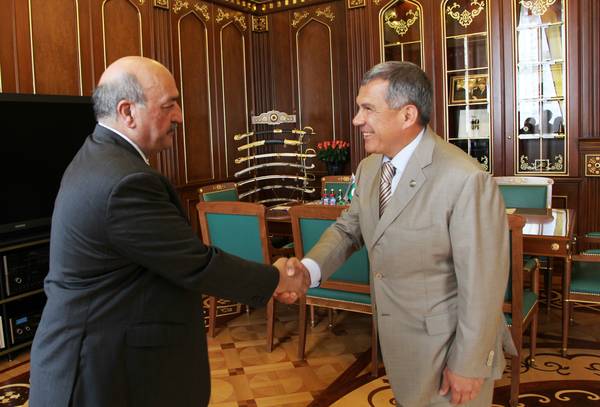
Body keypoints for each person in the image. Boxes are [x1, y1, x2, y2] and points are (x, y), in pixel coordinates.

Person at [29, 56, 308, 407]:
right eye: (168, 105)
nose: (179, 116)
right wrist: (276, 278)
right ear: (128, 112)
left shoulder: (101, 157)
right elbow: (196, 264)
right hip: (99, 373)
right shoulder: (125, 182)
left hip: (102, 361)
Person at [287, 61, 515, 406]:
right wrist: (308, 270)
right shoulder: (369, 169)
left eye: (368, 109)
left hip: (449, 351)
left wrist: (469, 364)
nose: (357, 120)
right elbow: (349, 229)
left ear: (408, 115)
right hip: (401, 345)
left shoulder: (465, 178)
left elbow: (484, 283)